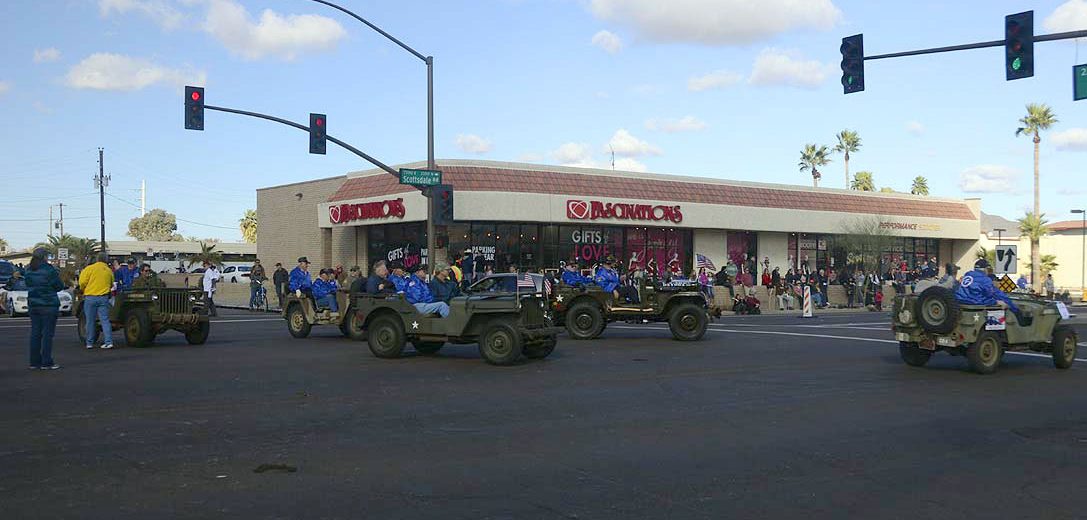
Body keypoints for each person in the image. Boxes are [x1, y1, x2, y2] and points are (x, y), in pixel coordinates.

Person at [25, 248, 64, 370]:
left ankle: (34, 362)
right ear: (44, 257)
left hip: (34, 304)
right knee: (47, 334)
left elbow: (27, 284)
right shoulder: (49, 270)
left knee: (35, 333)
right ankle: (46, 362)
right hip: (48, 304)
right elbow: (59, 286)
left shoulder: (29, 270)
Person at [955, 259, 1022, 317]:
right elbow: (992, 294)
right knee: (1002, 302)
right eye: (988, 269)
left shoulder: (967, 275)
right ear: (985, 269)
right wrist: (1012, 307)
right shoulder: (985, 279)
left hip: (960, 302)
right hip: (975, 302)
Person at [79, 253, 115, 350]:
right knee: (105, 320)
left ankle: (89, 343)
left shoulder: (89, 269)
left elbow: (82, 282)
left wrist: (84, 289)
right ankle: (108, 342)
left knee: (90, 321)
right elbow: (112, 283)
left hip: (90, 297)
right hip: (103, 298)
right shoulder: (108, 270)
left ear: (97, 259)